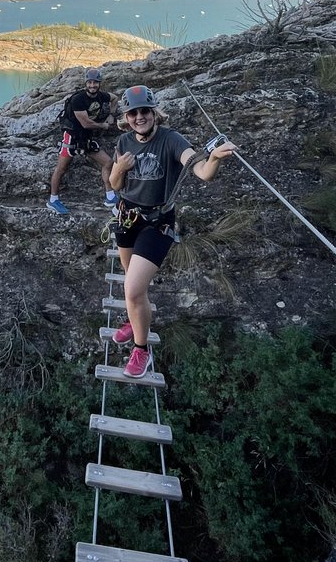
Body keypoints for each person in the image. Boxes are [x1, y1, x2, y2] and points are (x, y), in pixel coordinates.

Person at [109, 85, 238, 378]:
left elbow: (201, 171)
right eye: (133, 113)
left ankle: (142, 350)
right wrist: (120, 169)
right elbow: (116, 185)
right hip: (127, 219)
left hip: (157, 223)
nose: (139, 117)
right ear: (127, 117)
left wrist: (214, 157)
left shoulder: (171, 140)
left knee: (132, 289)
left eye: (145, 111)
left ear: (155, 113)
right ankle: (134, 318)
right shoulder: (123, 142)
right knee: (134, 288)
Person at [47, 67, 118, 214]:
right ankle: (53, 200)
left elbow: (114, 98)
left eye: (95, 82)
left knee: (108, 162)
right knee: (61, 168)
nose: (92, 85)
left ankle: (110, 196)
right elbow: (86, 123)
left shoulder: (101, 96)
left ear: (99, 83)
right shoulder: (78, 99)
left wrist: (111, 114)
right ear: (86, 83)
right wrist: (103, 125)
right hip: (72, 136)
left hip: (86, 138)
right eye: (90, 82)